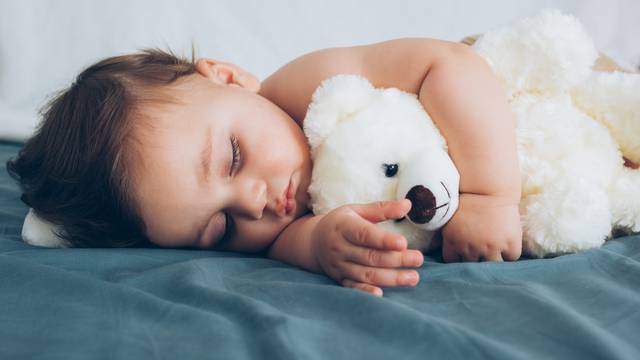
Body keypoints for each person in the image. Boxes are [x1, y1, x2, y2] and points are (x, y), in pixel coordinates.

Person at [7, 38, 523, 297]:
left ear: (231, 79)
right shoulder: (268, 224)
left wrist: (487, 196)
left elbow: (450, 62)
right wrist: (319, 243)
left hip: (512, 87)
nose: (253, 204)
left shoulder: (310, 87)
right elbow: (285, 241)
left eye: (233, 158)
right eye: (222, 227)